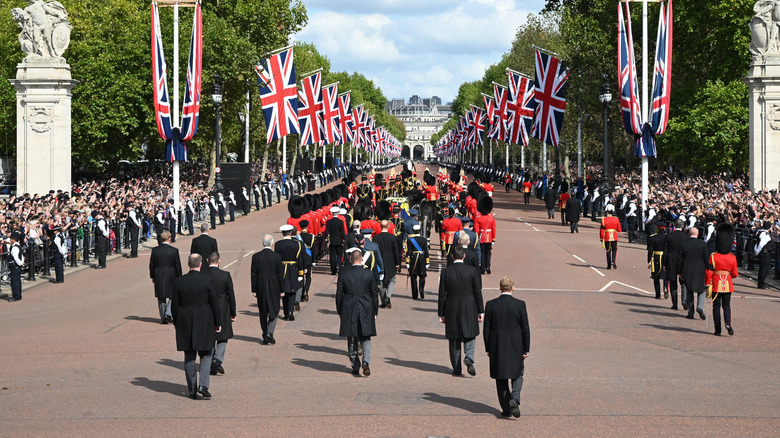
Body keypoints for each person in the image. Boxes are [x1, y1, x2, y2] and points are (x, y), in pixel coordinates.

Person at [171, 254, 222, 400]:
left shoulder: (179, 281)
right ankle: (203, 385)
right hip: (204, 320)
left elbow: (174, 305)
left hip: (185, 321)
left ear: (188, 264)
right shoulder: (207, 280)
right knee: (206, 353)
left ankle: (192, 388)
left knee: (189, 355)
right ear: (201, 264)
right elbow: (214, 303)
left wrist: (176, 322)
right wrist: (218, 322)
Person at [483, 275, 530, 418]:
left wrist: (488, 348)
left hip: (497, 345)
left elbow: (486, 329)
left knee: (501, 378)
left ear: (500, 288)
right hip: (516, 345)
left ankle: (507, 409)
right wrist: (526, 348)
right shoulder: (520, 304)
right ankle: (514, 398)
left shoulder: (491, 304)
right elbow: (525, 328)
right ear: (513, 288)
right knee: (517, 374)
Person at [438, 245, 484, 376]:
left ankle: (457, 368)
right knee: (470, 334)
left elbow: (442, 294)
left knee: (454, 338)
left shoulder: (446, 272)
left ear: (452, 257)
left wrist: (441, 313)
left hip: (452, 307)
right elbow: (477, 292)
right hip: (469, 306)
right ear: (463, 256)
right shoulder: (472, 271)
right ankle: (469, 357)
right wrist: (481, 310)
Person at [336, 249, 379, 376]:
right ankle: (366, 362)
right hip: (366, 306)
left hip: (349, 306)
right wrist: (375, 310)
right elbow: (374, 294)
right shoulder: (369, 274)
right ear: (361, 259)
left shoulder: (344, 274)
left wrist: (339, 310)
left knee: (351, 337)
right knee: (366, 336)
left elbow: (339, 294)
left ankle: (355, 365)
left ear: (351, 259)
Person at [201, 252, 236, 376]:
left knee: (210, 337)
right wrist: (233, 312)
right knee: (223, 337)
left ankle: (212, 362)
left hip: (207, 309)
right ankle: (217, 359)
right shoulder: (225, 275)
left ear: (207, 260)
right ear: (219, 261)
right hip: (223, 308)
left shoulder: (202, 274)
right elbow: (231, 295)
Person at [251, 235, 284, 345]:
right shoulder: (277, 257)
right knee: (274, 310)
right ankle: (269, 332)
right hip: (274, 286)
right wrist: (282, 289)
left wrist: (254, 289)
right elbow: (280, 275)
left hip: (260, 286)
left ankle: (265, 333)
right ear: (272, 244)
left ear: (263, 243)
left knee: (263, 311)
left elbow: (253, 274)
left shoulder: (256, 256)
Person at [707, 224, 739, 336]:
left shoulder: (713, 256)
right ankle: (728, 323)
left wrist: (707, 283)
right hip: (728, 284)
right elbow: (735, 274)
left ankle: (718, 329)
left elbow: (709, 272)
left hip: (716, 283)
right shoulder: (732, 257)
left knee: (716, 306)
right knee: (726, 305)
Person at [149, 231, 183, 324]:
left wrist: (152, 275)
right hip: (171, 274)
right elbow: (177, 265)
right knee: (173, 295)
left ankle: (164, 318)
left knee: (161, 297)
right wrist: (180, 276)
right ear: (169, 239)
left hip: (159, 274)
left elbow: (151, 264)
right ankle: (168, 313)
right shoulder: (174, 250)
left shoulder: (155, 250)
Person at [275, 224, 304, 321]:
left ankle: (286, 313)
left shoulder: (278, 244)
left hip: (282, 268)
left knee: (284, 291)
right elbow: (299, 259)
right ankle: (291, 311)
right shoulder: (297, 244)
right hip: (294, 269)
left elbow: (277, 259)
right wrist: (301, 273)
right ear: (291, 233)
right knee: (292, 291)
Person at [679, 227, 709, 320]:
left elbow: (680, 259)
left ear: (689, 234)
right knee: (702, 289)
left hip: (688, 269)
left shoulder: (684, 243)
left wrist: (680, 272)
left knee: (689, 290)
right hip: (700, 269)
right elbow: (706, 259)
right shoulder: (703, 244)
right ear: (698, 233)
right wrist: (708, 269)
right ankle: (699, 307)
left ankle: (690, 312)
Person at [374, 220, 401, 309]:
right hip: (391, 261)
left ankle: (383, 300)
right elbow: (396, 251)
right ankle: (388, 297)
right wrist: (397, 263)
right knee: (392, 280)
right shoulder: (393, 238)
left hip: (379, 261)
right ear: (388, 226)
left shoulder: (376, 238)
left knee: (380, 281)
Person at [665, 219, 688, 310]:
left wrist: (664, 263)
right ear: (682, 226)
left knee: (673, 282)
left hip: (671, 260)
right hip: (682, 260)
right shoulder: (686, 236)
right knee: (683, 282)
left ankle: (675, 304)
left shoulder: (670, 235)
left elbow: (665, 250)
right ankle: (684, 299)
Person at [406, 224, 429, 300]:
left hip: (413, 259)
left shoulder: (410, 240)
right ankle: (421, 289)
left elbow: (408, 252)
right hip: (422, 259)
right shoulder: (424, 240)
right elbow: (426, 252)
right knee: (422, 276)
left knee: (413, 276)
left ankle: (415, 294)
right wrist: (427, 262)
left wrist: (407, 262)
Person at [647, 223, 668, 299]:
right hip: (665, 257)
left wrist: (649, 260)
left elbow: (650, 250)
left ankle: (658, 294)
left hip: (656, 257)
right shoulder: (667, 237)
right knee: (665, 275)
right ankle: (665, 287)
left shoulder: (653, 237)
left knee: (656, 276)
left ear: (657, 229)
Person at [599, 204, 622, 269]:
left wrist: (601, 237)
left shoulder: (603, 220)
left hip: (606, 236)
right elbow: (619, 230)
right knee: (614, 250)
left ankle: (609, 265)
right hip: (614, 236)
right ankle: (613, 261)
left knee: (608, 250)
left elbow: (602, 230)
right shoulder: (616, 219)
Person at [326, 206, 346, 275]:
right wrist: (344, 240)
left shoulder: (329, 222)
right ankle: (338, 264)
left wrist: (326, 241)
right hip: (339, 240)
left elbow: (327, 232)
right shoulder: (340, 222)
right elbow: (342, 232)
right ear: (338, 213)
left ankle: (333, 270)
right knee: (339, 254)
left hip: (331, 241)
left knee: (332, 255)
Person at [754, 220, 773, 289]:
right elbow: (761, 245)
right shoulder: (765, 234)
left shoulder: (760, 232)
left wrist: (756, 251)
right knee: (764, 269)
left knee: (763, 268)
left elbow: (757, 244)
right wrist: (757, 252)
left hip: (763, 253)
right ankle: (761, 284)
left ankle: (761, 283)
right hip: (765, 253)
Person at [7, 231, 25, 302]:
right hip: (18, 266)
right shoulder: (18, 246)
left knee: (14, 282)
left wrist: (20, 263)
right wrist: (22, 262)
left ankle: (15, 296)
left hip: (15, 266)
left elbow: (16, 258)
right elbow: (22, 256)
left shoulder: (14, 248)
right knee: (17, 281)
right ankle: (18, 295)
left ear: (14, 239)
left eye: (11, 238)